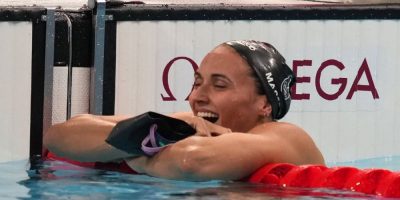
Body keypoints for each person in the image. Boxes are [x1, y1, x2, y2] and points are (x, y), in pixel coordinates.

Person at [43, 40, 325, 181]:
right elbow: (60, 136)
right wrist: (169, 125)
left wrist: (129, 150)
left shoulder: (286, 137)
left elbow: (191, 162)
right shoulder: (188, 125)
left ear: (265, 103)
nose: (197, 96)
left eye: (219, 85)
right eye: (197, 82)